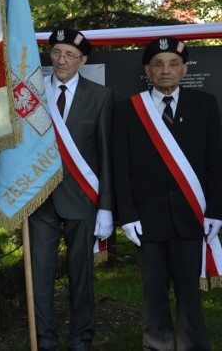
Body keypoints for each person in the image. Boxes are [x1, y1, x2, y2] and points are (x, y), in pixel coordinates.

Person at [113, 36, 222, 350]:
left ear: (184, 70)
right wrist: (127, 215)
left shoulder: (205, 105)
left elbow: (216, 162)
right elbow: (122, 168)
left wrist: (216, 209)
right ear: (148, 70)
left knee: (190, 293)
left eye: (173, 64)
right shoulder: (128, 110)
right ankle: (156, 346)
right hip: (147, 221)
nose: (166, 70)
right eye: (158, 64)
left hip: (191, 217)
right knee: (153, 293)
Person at [30, 29, 114, 350]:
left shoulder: (100, 96)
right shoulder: (33, 94)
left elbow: (107, 155)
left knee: (82, 277)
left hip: (82, 199)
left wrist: (106, 206)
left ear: (83, 60)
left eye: (69, 55)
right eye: (56, 53)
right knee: (40, 275)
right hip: (39, 198)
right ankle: (45, 339)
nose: (61, 60)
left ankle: (81, 338)